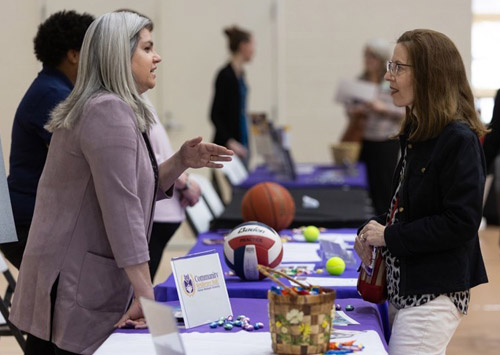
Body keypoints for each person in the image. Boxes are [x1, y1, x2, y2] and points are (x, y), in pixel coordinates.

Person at [9, 11, 232, 355]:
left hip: (76, 274)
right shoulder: (106, 111)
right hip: (71, 280)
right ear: (118, 55)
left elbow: (135, 186)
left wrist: (181, 161)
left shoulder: (116, 106)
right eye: (147, 48)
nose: (157, 57)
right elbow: (122, 208)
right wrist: (147, 293)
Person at [354, 29, 488, 354]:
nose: (388, 75)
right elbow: (405, 209)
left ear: (430, 75)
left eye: (398, 67)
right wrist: (372, 230)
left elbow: (461, 223)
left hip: (434, 293)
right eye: (390, 65)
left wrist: (389, 237)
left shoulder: (459, 139)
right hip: (405, 286)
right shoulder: (419, 131)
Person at [1, 10, 94, 269]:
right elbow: (89, 157)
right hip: (26, 221)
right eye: (92, 50)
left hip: (30, 216)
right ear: (73, 55)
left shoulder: (54, 88)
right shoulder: (52, 95)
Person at [342, 39, 404, 215]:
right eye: (366, 56)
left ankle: (385, 224)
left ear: (381, 59)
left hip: (386, 141)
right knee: (364, 184)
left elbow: (404, 111)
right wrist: (356, 110)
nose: (368, 60)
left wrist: (381, 108)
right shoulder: (360, 80)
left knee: (384, 186)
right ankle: (368, 222)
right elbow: (349, 108)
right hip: (364, 139)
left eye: (373, 57)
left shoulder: (391, 79)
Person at [148, 108, 202, 280]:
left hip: (163, 214)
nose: (154, 78)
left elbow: (160, 153)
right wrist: (184, 183)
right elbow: (147, 159)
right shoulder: (122, 103)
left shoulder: (141, 98)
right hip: (153, 216)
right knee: (136, 296)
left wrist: (183, 176)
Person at [210, 25, 255, 166]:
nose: (254, 50)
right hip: (227, 147)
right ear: (243, 46)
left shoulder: (241, 75)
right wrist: (230, 141)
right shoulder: (225, 75)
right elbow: (214, 114)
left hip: (242, 142)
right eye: (252, 45)